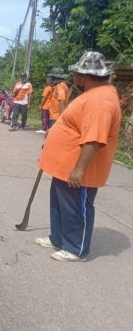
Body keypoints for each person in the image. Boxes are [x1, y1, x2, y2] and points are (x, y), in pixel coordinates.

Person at [35, 52, 121, 262]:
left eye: (75, 73)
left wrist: (79, 168)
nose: (73, 77)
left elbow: (95, 138)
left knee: (76, 206)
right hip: (63, 165)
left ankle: (76, 248)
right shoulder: (93, 95)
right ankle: (58, 238)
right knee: (60, 203)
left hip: (77, 167)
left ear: (85, 76)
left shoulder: (101, 100)